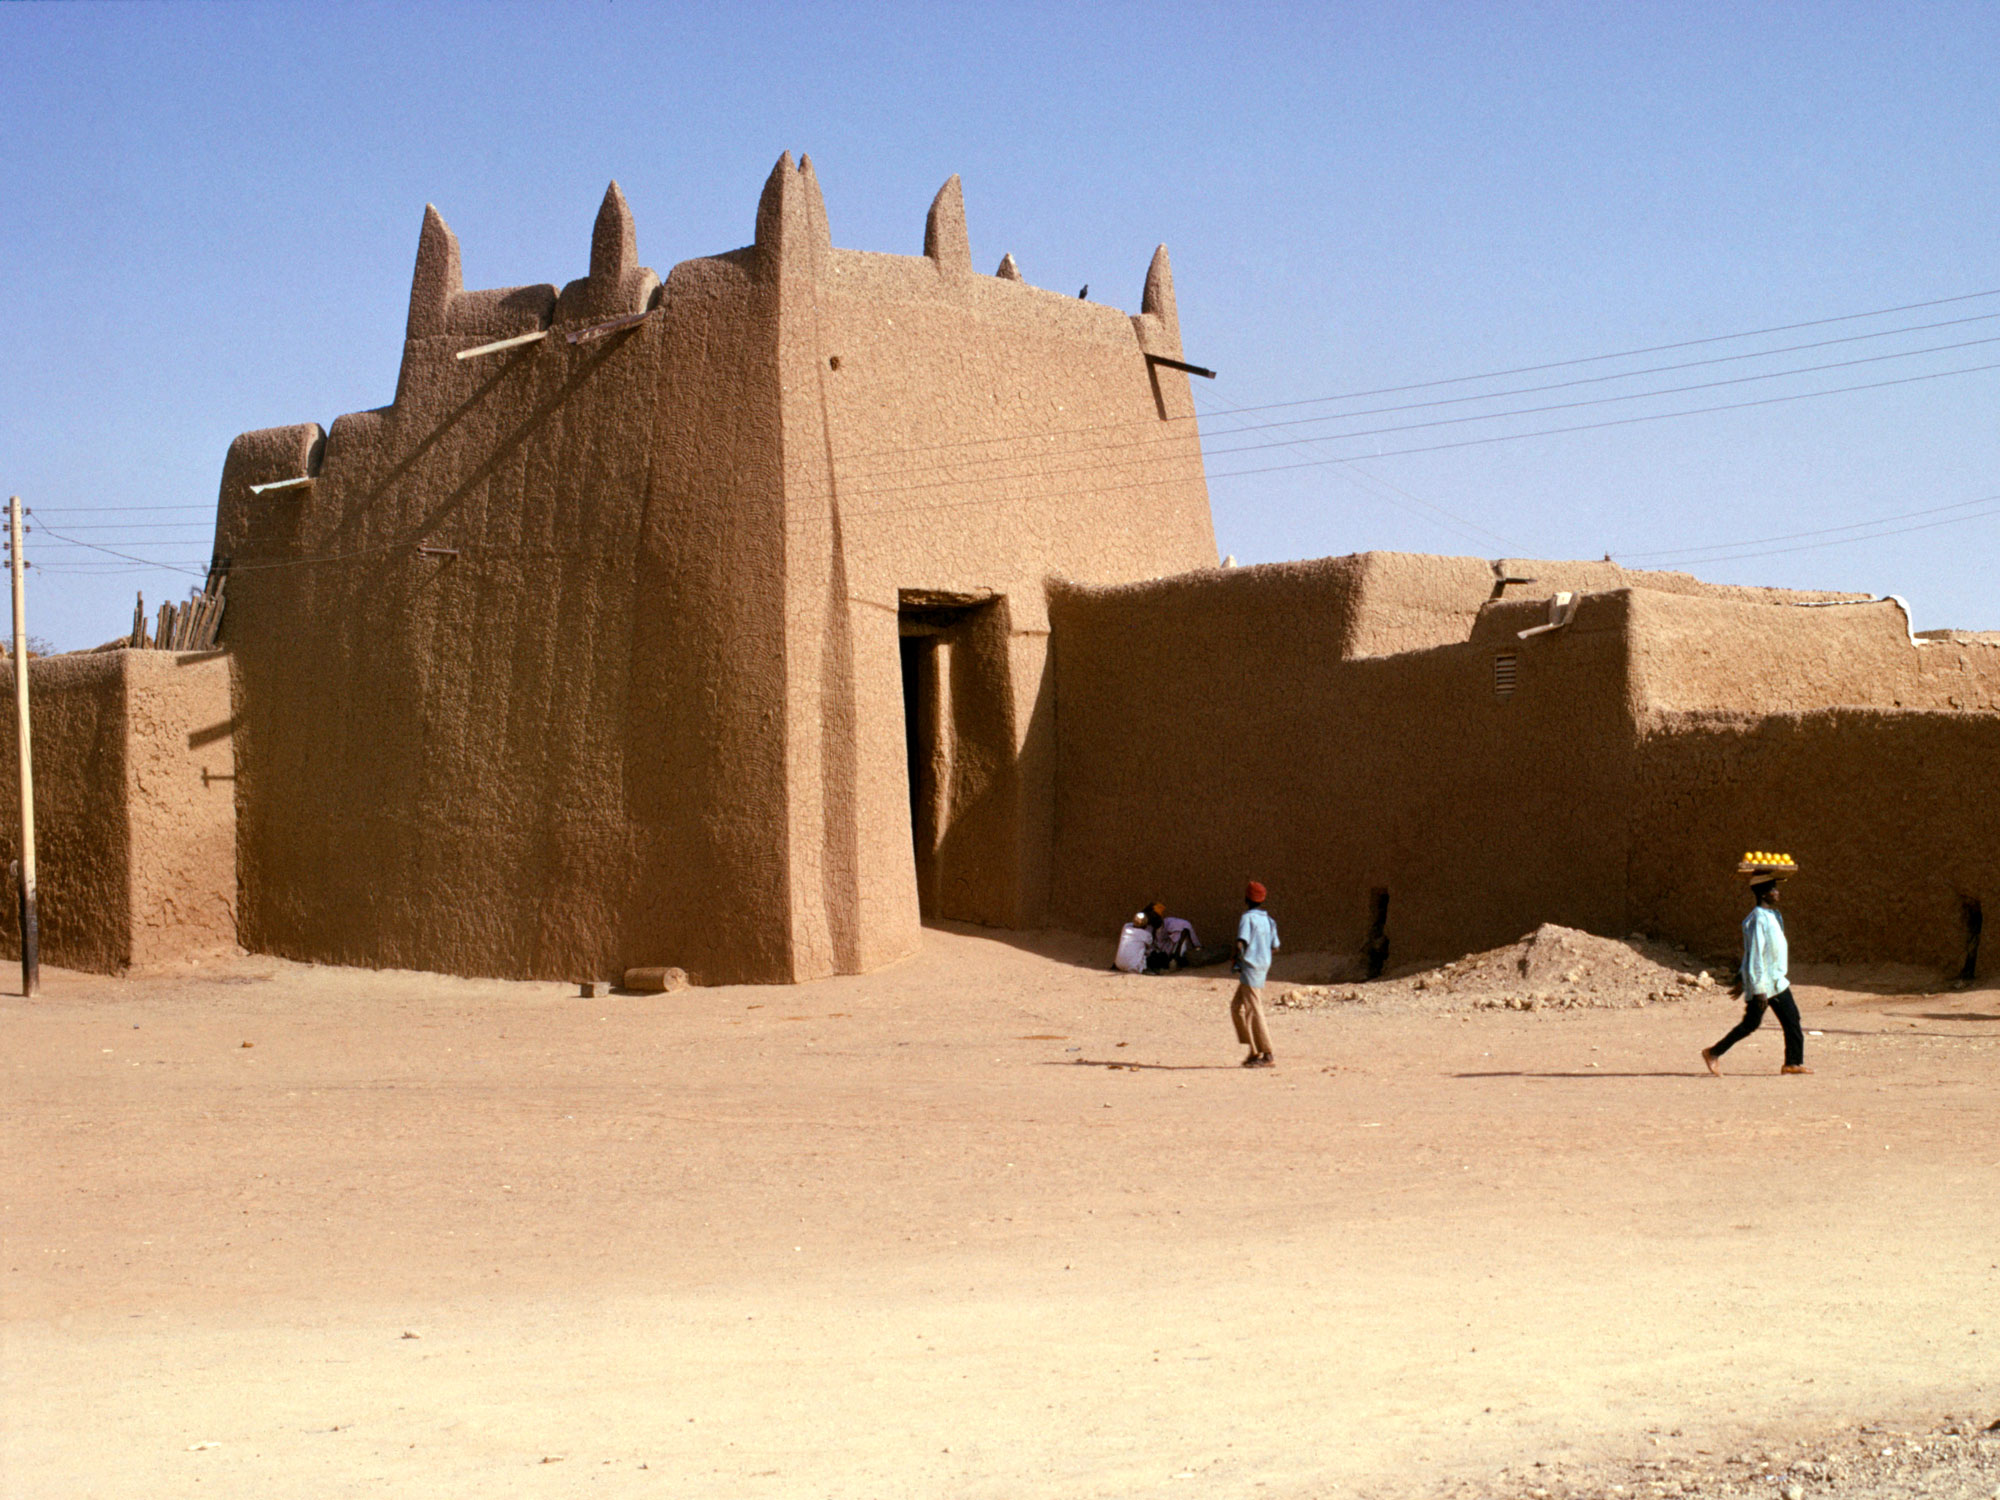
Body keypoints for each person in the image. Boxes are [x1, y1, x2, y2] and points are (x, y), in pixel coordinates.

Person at [1703, 874, 1810, 1076]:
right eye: (1773, 889)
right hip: (1767, 983)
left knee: (1786, 1020)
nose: (1777, 893)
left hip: (1776, 980)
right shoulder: (1757, 919)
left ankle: (1793, 1063)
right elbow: (1755, 954)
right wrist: (1758, 988)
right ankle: (1713, 1052)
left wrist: (1743, 979)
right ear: (1763, 893)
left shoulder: (1774, 916)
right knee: (1757, 1023)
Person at [1231, 881, 1279, 1067]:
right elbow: (1275, 947)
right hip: (1260, 966)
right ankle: (1253, 1049)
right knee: (1237, 1007)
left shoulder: (1248, 918)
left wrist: (1238, 957)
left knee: (1254, 1009)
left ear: (1247, 899)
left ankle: (1266, 1053)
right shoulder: (1269, 920)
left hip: (1251, 968)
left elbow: (1240, 942)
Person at [1143, 903, 1200, 972]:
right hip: (1163, 951)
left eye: (1153, 916)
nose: (1151, 918)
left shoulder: (1170, 923)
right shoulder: (1149, 928)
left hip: (1177, 950)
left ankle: (1177, 961)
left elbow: (1185, 928)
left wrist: (1175, 956)